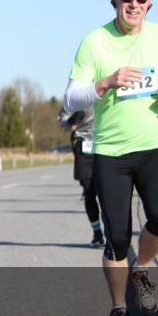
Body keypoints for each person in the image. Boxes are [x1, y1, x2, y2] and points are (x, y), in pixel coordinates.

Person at [63, 0, 158, 316]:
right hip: (111, 152)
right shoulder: (94, 42)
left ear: (149, 3)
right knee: (117, 237)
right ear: (113, 0)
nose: (133, 5)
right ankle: (119, 308)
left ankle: (142, 268)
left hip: (153, 146)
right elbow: (71, 96)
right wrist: (106, 82)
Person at [59, 105, 104, 247]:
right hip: (83, 147)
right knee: (89, 193)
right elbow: (63, 119)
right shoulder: (73, 97)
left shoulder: (107, 85)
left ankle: (112, 231)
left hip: (105, 143)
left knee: (106, 194)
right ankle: (97, 233)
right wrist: (72, 121)